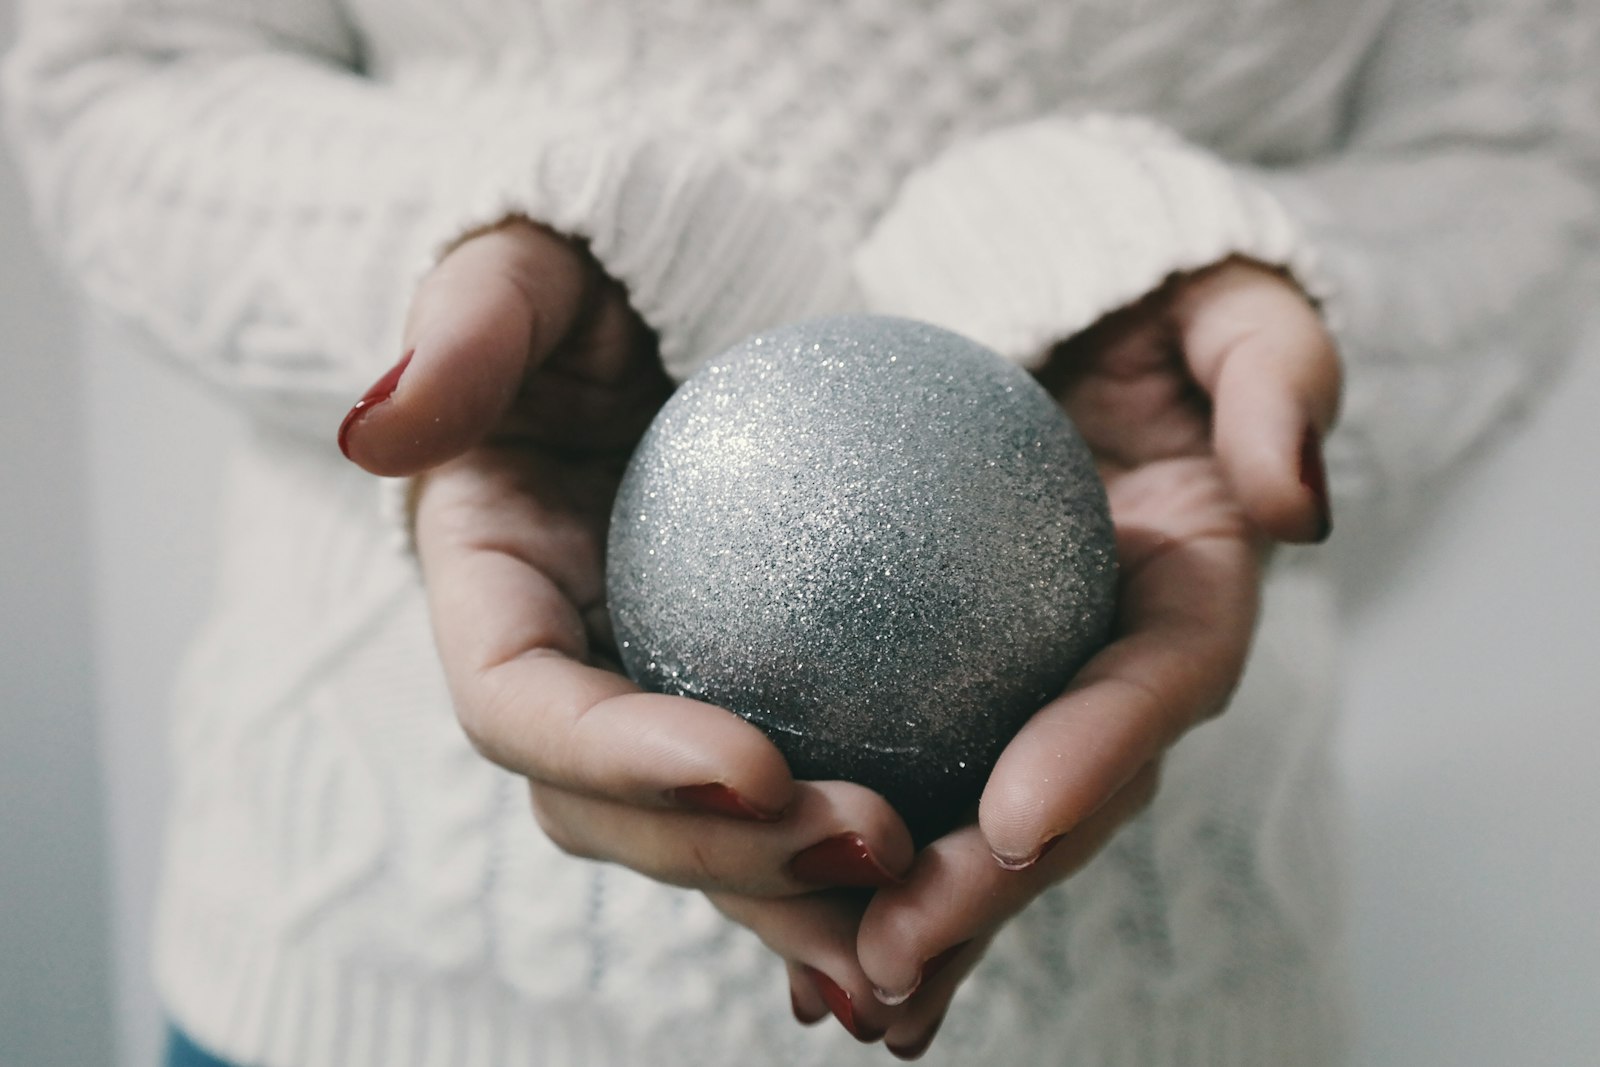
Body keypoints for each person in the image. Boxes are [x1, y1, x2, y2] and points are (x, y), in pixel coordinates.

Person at [5, 1, 1596, 1064]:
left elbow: (1523, 150)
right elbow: (115, 69)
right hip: (365, 978)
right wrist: (493, 251)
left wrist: (1157, 262)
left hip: (1174, 987)